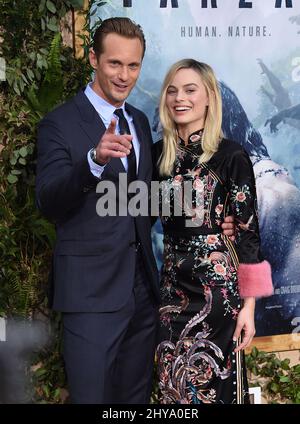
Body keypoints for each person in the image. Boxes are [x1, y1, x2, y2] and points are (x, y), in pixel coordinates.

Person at [36, 18, 235, 404]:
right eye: (114, 64)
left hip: (144, 295)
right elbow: (49, 200)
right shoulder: (59, 124)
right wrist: (93, 161)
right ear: (93, 58)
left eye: (133, 65)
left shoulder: (140, 122)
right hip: (90, 297)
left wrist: (215, 220)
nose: (124, 75)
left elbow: (145, 203)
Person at [152, 59, 273, 404]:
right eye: (172, 90)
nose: (180, 98)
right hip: (171, 296)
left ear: (209, 98)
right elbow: (137, 218)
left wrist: (249, 307)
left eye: (190, 90)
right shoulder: (157, 156)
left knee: (216, 390)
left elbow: (248, 235)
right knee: (172, 390)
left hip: (219, 298)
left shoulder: (231, 156)